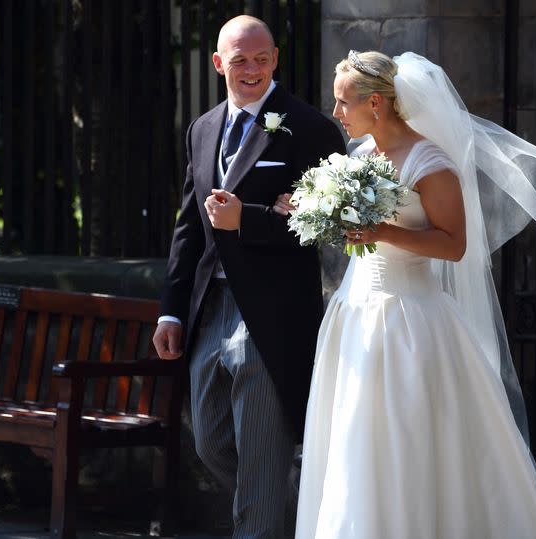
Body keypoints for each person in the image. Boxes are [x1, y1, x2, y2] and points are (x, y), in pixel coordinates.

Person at [276, 51, 536, 538]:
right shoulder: (360, 157)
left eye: (342, 102)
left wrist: (385, 232)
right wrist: (314, 211)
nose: (335, 113)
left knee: (407, 441)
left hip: (409, 321)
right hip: (355, 314)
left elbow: (453, 245)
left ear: (375, 103)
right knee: (354, 443)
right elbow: (357, 235)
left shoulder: (430, 162)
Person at [152, 15, 345, 539]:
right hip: (209, 310)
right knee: (210, 442)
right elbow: (188, 227)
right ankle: (286, 508)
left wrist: (251, 218)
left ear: (276, 59)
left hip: (273, 312)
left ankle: (260, 523)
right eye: (240, 60)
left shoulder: (310, 128)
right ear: (219, 64)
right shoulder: (203, 128)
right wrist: (172, 308)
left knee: (261, 456)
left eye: (262, 59)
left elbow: (326, 227)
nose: (252, 69)